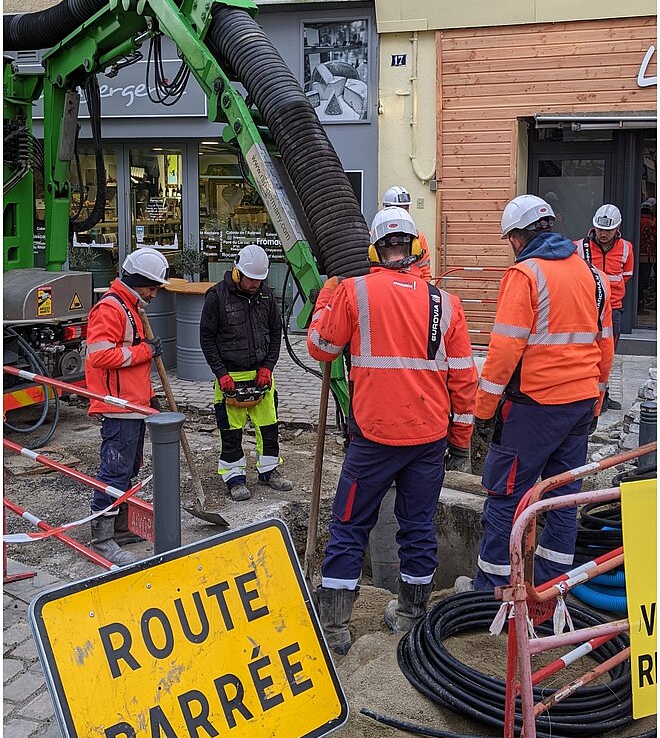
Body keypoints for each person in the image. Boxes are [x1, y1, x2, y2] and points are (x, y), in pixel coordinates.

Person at [307, 207, 477, 654]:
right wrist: (460, 442)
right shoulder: (446, 303)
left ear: (375, 250)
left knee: (348, 525)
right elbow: (463, 379)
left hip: (373, 441)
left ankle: (336, 628)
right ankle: (410, 614)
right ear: (416, 249)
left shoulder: (353, 292)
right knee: (418, 527)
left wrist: (325, 302)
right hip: (428, 440)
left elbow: (322, 348)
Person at [455, 195, 614, 595]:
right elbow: (605, 347)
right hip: (579, 407)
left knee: (505, 496)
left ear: (518, 237)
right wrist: (595, 400)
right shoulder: (594, 277)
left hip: (533, 408)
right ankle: (549, 591)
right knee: (562, 500)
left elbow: (505, 350)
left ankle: (490, 592)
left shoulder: (525, 275)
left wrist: (484, 410)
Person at [85, 247, 168, 566]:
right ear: (136, 281)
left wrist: (148, 397)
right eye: (153, 287)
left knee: (128, 469)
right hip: (117, 407)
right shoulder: (111, 309)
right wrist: (144, 352)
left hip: (134, 404)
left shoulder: (132, 306)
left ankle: (119, 526)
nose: (155, 293)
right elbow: (99, 357)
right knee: (114, 470)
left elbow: (129, 358)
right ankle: (102, 539)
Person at [199, 244, 289, 502]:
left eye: (260, 280)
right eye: (251, 279)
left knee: (269, 427)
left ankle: (269, 470)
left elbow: (275, 334)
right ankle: (234, 477)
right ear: (237, 272)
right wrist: (221, 374)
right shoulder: (216, 297)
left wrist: (268, 367)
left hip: (261, 374)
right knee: (231, 433)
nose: (255, 285)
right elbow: (207, 338)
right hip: (230, 375)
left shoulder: (266, 296)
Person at [574, 204, 634, 410]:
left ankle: (602, 395)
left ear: (617, 228)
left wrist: (608, 296)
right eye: (600, 229)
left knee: (607, 354)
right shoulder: (580, 247)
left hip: (613, 309)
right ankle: (583, 393)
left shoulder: (626, 248)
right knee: (584, 353)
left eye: (607, 230)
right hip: (586, 310)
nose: (603, 233)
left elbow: (626, 276)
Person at [382, 185, 432, 280]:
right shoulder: (374, 237)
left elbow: (425, 272)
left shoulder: (418, 237)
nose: (403, 212)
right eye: (400, 208)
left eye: (405, 208)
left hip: (412, 287)